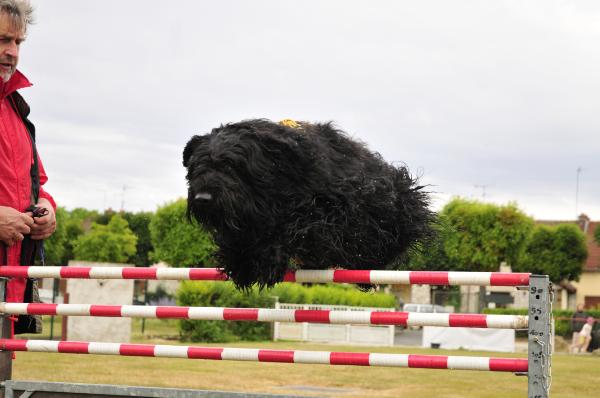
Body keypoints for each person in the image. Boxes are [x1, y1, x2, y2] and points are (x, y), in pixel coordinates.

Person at [0, 0, 56, 334]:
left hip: (10, 293)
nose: (11, 52)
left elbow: (37, 186)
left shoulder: (16, 109)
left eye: (18, 42)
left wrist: (47, 208)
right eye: (3, 40)